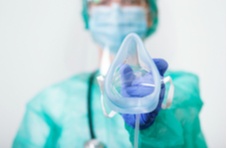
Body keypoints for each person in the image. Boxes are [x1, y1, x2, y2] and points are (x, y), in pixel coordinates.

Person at [13, 0, 207, 147]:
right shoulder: (52, 103)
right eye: (104, 2)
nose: (116, 11)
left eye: (130, 1)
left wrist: (154, 126)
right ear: (88, 16)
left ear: (150, 16)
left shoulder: (178, 91)